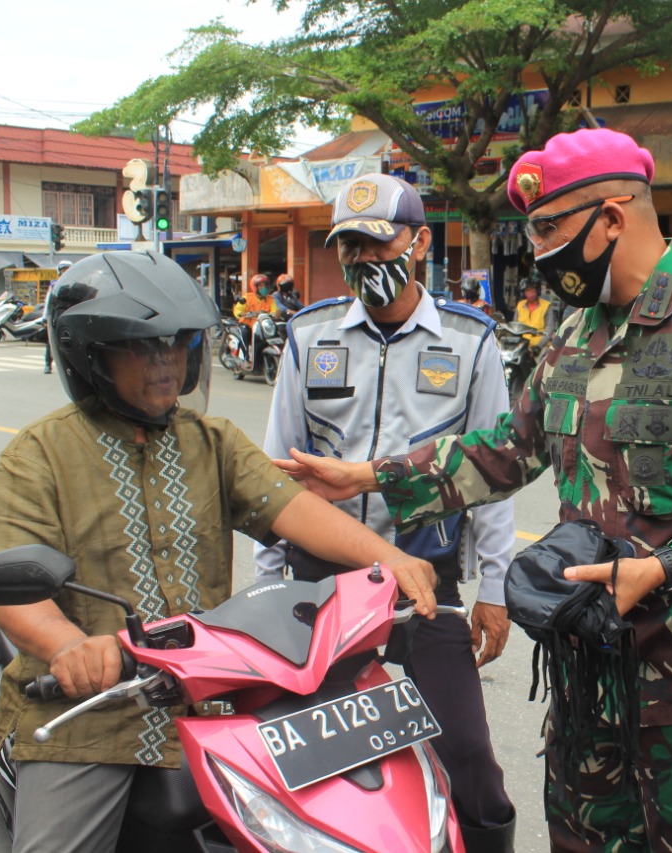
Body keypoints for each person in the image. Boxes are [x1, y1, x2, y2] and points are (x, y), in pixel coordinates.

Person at [275, 128, 672, 850]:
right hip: (586, 673)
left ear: (611, 218)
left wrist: (669, 568)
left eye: (548, 228)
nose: (539, 249)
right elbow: (511, 447)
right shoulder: (576, 333)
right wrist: (369, 476)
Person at [0, 250, 438, 853]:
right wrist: (69, 647)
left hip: (213, 706)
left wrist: (387, 559)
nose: (166, 362)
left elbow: (295, 510)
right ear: (90, 356)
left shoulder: (212, 441)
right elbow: (15, 587)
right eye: (142, 348)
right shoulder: (39, 455)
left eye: (177, 345)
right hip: (88, 716)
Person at [256, 172, 517, 852]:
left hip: (425, 580)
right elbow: (272, 478)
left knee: (468, 753)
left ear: (420, 242)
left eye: (379, 243)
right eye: (350, 246)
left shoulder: (470, 341)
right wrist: (268, 586)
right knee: (316, 758)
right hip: (323, 580)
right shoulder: (308, 334)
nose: (364, 259)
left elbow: (492, 473)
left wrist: (494, 589)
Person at [234, 273, 280, 364]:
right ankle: (244, 356)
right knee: (244, 333)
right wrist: (243, 314)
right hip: (247, 324)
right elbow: (237, 310)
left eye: (265, 285)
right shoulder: (247, 298)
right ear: (255, 287)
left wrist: (276, 313)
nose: (264, 288)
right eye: (261, 286)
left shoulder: (270, 299)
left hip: (261, 326)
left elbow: (275, 310)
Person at [43, 259, 72, 374]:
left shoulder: (75, 284)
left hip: (68, 315)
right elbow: (48, 302)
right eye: (63, 270)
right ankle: (47, 364)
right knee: (51, 341)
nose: (65, 272)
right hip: (56, 315)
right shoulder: (54, 285)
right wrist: (45, 317)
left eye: (67, 269)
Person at [513, 277, 550, 349]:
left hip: (540, 345)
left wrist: (539, 346)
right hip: (522, 344)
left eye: (533, 290)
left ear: (537, 291)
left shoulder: (546, 306)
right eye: (527, 291)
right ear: (523, 293)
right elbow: (515, 326)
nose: (530, 294)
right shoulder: (520, 305)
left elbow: (549, 329)